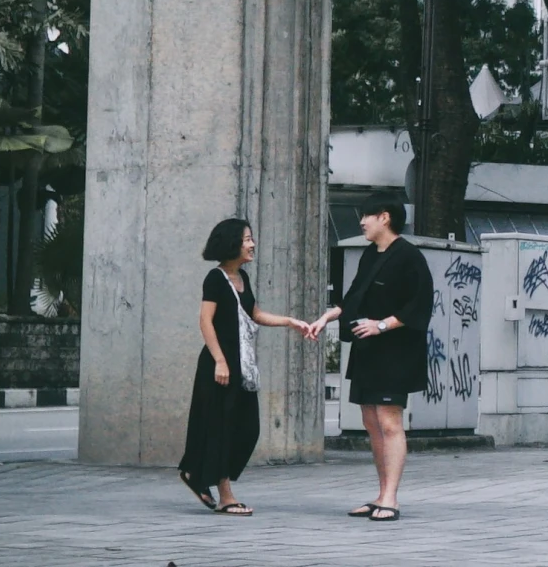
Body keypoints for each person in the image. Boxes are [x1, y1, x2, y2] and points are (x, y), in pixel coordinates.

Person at [303, 200, 434, 522]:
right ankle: (380, 494)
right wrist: (327, 317)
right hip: (367, 350)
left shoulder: (409, 256)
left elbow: (420, 305)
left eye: (366, 216)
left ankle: (391, 498)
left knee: (390, 422)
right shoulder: (370, 254)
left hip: (396, 352)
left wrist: (382, 325)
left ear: (384, 218)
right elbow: (352, 299)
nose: (361, 222)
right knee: (371, 424)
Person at [179, 217, 307, 516]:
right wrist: (220, 361)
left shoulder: (243, 278)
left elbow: (255, 313)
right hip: (220, 366)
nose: (252, 244)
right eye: (247, 239)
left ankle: (192, 472)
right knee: (223, 429)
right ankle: (224, 495)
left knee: (247, 429)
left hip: (244, 366)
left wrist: (290, 321)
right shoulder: (215, 278)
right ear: (232, 243)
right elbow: (205, 320)